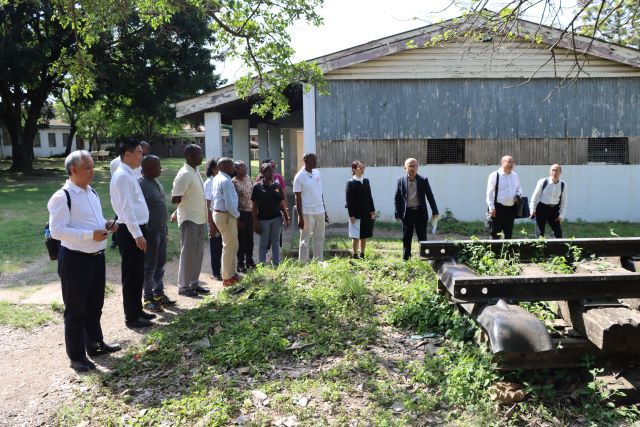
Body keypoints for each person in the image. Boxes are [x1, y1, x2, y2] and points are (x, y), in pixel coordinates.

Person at [48, 150, 121, 372]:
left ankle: (95, 345)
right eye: (88, 167)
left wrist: (107, 224)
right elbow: (57, 231)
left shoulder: (92, 192)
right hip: (75, 260)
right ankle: (77, 356)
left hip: (96, 258)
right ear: (74, 170)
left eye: (92, 166)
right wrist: (90, 235)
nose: (93, 171)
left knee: (94, 305)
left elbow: (93, 221)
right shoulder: (62, 196)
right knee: (76, 310)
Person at [111, 138, 155, 328]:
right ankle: (132, 317)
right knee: (131, 274)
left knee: (137, 273)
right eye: (138, 152)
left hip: (135, 228)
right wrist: (137, 234)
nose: (141, 156)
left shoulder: (129, 173)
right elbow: (126, 209)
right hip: (130, 231)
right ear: (127, 154)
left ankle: (137, 310)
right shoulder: (122, 176)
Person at [138, 155, 176, 312]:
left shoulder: (156, 182)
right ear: (148, 168)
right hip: (150, 230)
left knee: (160, 265)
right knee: (149, 266)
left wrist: (166, 230)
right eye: (158, 166)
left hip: (161, 229)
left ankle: (158, 293)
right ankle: (147, 297)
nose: (161, 168)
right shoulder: (140, 185)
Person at [171, 144, 209, 297]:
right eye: (199, 154)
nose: (201, 156)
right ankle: (183, 286)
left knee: (198, 252)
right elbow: (175, 198)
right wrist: (178, 210)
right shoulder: (185, 173)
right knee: (188, 252)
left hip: (199, 218)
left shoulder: (195, 170)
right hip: (189, 219)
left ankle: (194, 282)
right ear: (189, 156)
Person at [394, 158, 439, 260]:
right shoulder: (401, 181)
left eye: (414, 166)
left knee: (422, 237)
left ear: (417, 167)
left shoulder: (423, 180)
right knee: (406, 237)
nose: (412, 168)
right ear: (405, 168)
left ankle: (424, 258)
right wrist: (397, 212)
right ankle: (406, 258)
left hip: (420, 212)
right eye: (410, 166)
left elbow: (430, 196)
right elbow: (397, 197)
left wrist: (435, 211)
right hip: (407, 213)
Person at [212, 157, 242, 287]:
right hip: (226, 215)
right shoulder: (226, 181)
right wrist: (237, 215)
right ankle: (227, 277)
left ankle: (232, 273)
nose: (234, 169)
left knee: (232, 245)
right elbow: (229, 203)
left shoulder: (218, 178)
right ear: (225, 167)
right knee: (229, 246)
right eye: (232, 166)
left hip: (220, 214)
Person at [252, 163, 290, 265]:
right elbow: (254, 206)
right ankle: (262, 264)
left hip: (276, 219)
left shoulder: (277, 186)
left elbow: (281, 203)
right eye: (269, 171)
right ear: (263, 173)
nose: (272, 173)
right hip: (263, 220)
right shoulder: (257, 187)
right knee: (264, 243)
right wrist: (255, 222)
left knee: (276, 242)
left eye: (272, 171)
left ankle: (277, 264)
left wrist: (287, 216)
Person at [293, 153, 328, 262]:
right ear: (305, 161)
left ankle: (319, 262)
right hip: (307, 213)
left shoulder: (317, 173)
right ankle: (303, 264)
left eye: (316, 160)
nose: (315, 162)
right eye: (313, 160)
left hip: (320, 211)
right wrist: (301, 217)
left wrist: (324, 210)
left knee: (319, 238)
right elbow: (297, 199)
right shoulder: (299, 177)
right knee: (305, 240)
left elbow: (320, 193)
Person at [486, 155, 522, 240]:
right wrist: (491, 208)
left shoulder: (515, 175)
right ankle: (493, 253)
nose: (511, 164)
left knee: (508, 234)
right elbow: (489, 193)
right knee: (495, 234)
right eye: (509, 162)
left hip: (511, 209)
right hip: (498, 209)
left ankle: (507, 252)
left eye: (513, 163)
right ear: (502, 163)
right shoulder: (495, 175)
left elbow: (519, 189)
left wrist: (518, 194)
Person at [346, 160, 376, 259]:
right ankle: (354, 255)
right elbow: (349, 201)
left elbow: (370, 197)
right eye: (360, 168)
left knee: (364, 235)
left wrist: (372, 211)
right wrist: (351, 215)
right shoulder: (350, 183)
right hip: (356, 214)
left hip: (366, 212)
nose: (362, 170)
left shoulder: (366, 181)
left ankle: (362, 254)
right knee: (355, 236)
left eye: (363, 168)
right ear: (354, 169)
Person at [529, 164, 567, 238]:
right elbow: (535, 197)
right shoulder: (543, 181)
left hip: (554, 210)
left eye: (557, 170)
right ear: (550, 172)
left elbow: (564, 201)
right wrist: (532, 210)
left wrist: (561, 215)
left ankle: (560, 249)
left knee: (558, 234)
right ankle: (539, 249)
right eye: (552, 170)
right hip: (542, 208)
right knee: (540, 233)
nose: (554, 172)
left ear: (560, 172)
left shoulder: (563, 184)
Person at [232, 160, 255, 272]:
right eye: (241, 168)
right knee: (241, 239)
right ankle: (240, 263)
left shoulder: (248, 178)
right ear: (235, 169)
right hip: (241, 214)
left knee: (250, 238)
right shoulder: (233, 182)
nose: (244, 169)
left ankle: (250, 260)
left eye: (244, 167)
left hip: (251, 212)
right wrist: (237, 219)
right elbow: (233, 201)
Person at [203, 158, 223, 281]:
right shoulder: (209, 183)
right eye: (218, 167)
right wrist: (211, 225)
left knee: (223, 245)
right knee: (215, 246)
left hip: (222, 217)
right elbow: (208, 205)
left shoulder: (220, 180)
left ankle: (224, 270)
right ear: (213, 168)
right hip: (213, 218)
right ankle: (216, 272)